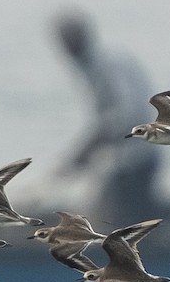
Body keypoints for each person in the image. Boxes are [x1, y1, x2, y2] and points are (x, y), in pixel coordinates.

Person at [53, 12, 162, 224]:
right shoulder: (97, 62)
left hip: (136, 160)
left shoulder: (104, 65)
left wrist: (84, 152)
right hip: (132, 158)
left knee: (121, 226)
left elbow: (126, 115)